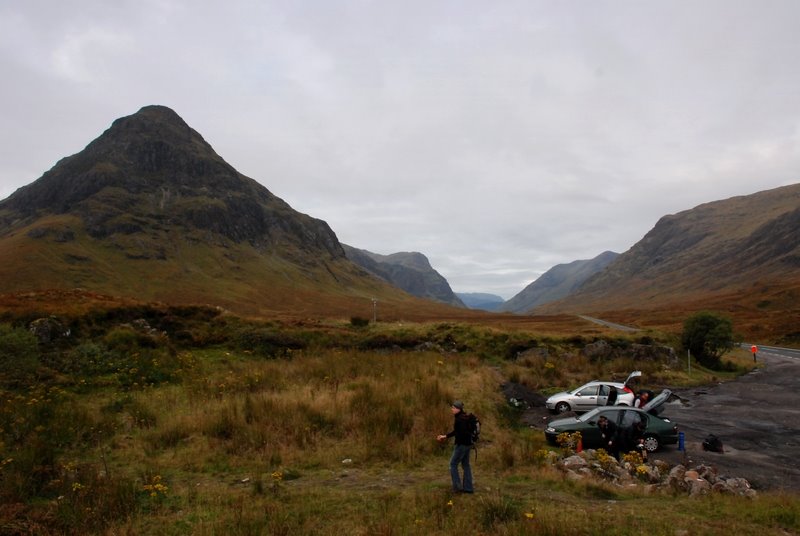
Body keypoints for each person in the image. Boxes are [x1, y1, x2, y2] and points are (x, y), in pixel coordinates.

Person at [437, 400, 474, 493]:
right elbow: (457, 431)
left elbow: (458, 432)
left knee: (452, 464)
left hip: (461, 445)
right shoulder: (465, 417)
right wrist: (445, 436)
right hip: (469, 444)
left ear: (458, 409)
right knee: (466, 465)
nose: (452, 409)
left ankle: (457, 487)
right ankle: (468, 488)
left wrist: (455, 441)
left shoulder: (459, 419)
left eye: (453, 408)